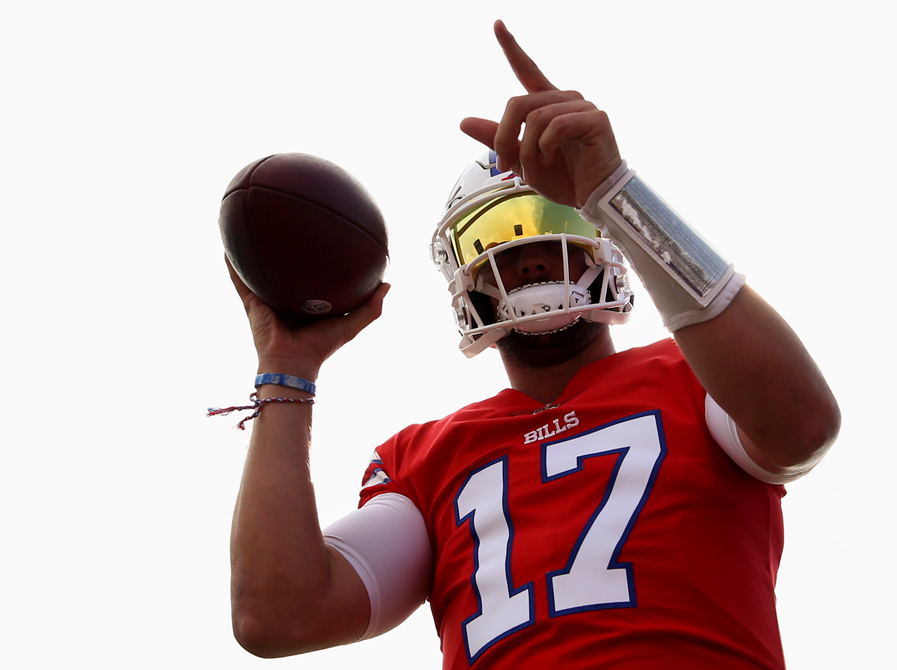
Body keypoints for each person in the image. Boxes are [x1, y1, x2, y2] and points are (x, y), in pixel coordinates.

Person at [227, 20, 840, 670]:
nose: (527, 257)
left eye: (554, 224)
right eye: (495, 239)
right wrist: (286, 369)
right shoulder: (423, 458)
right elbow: (279, 613)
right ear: (462, 275)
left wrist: (617, 191)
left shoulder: (696, 375)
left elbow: (801, 423)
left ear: (605, 239)